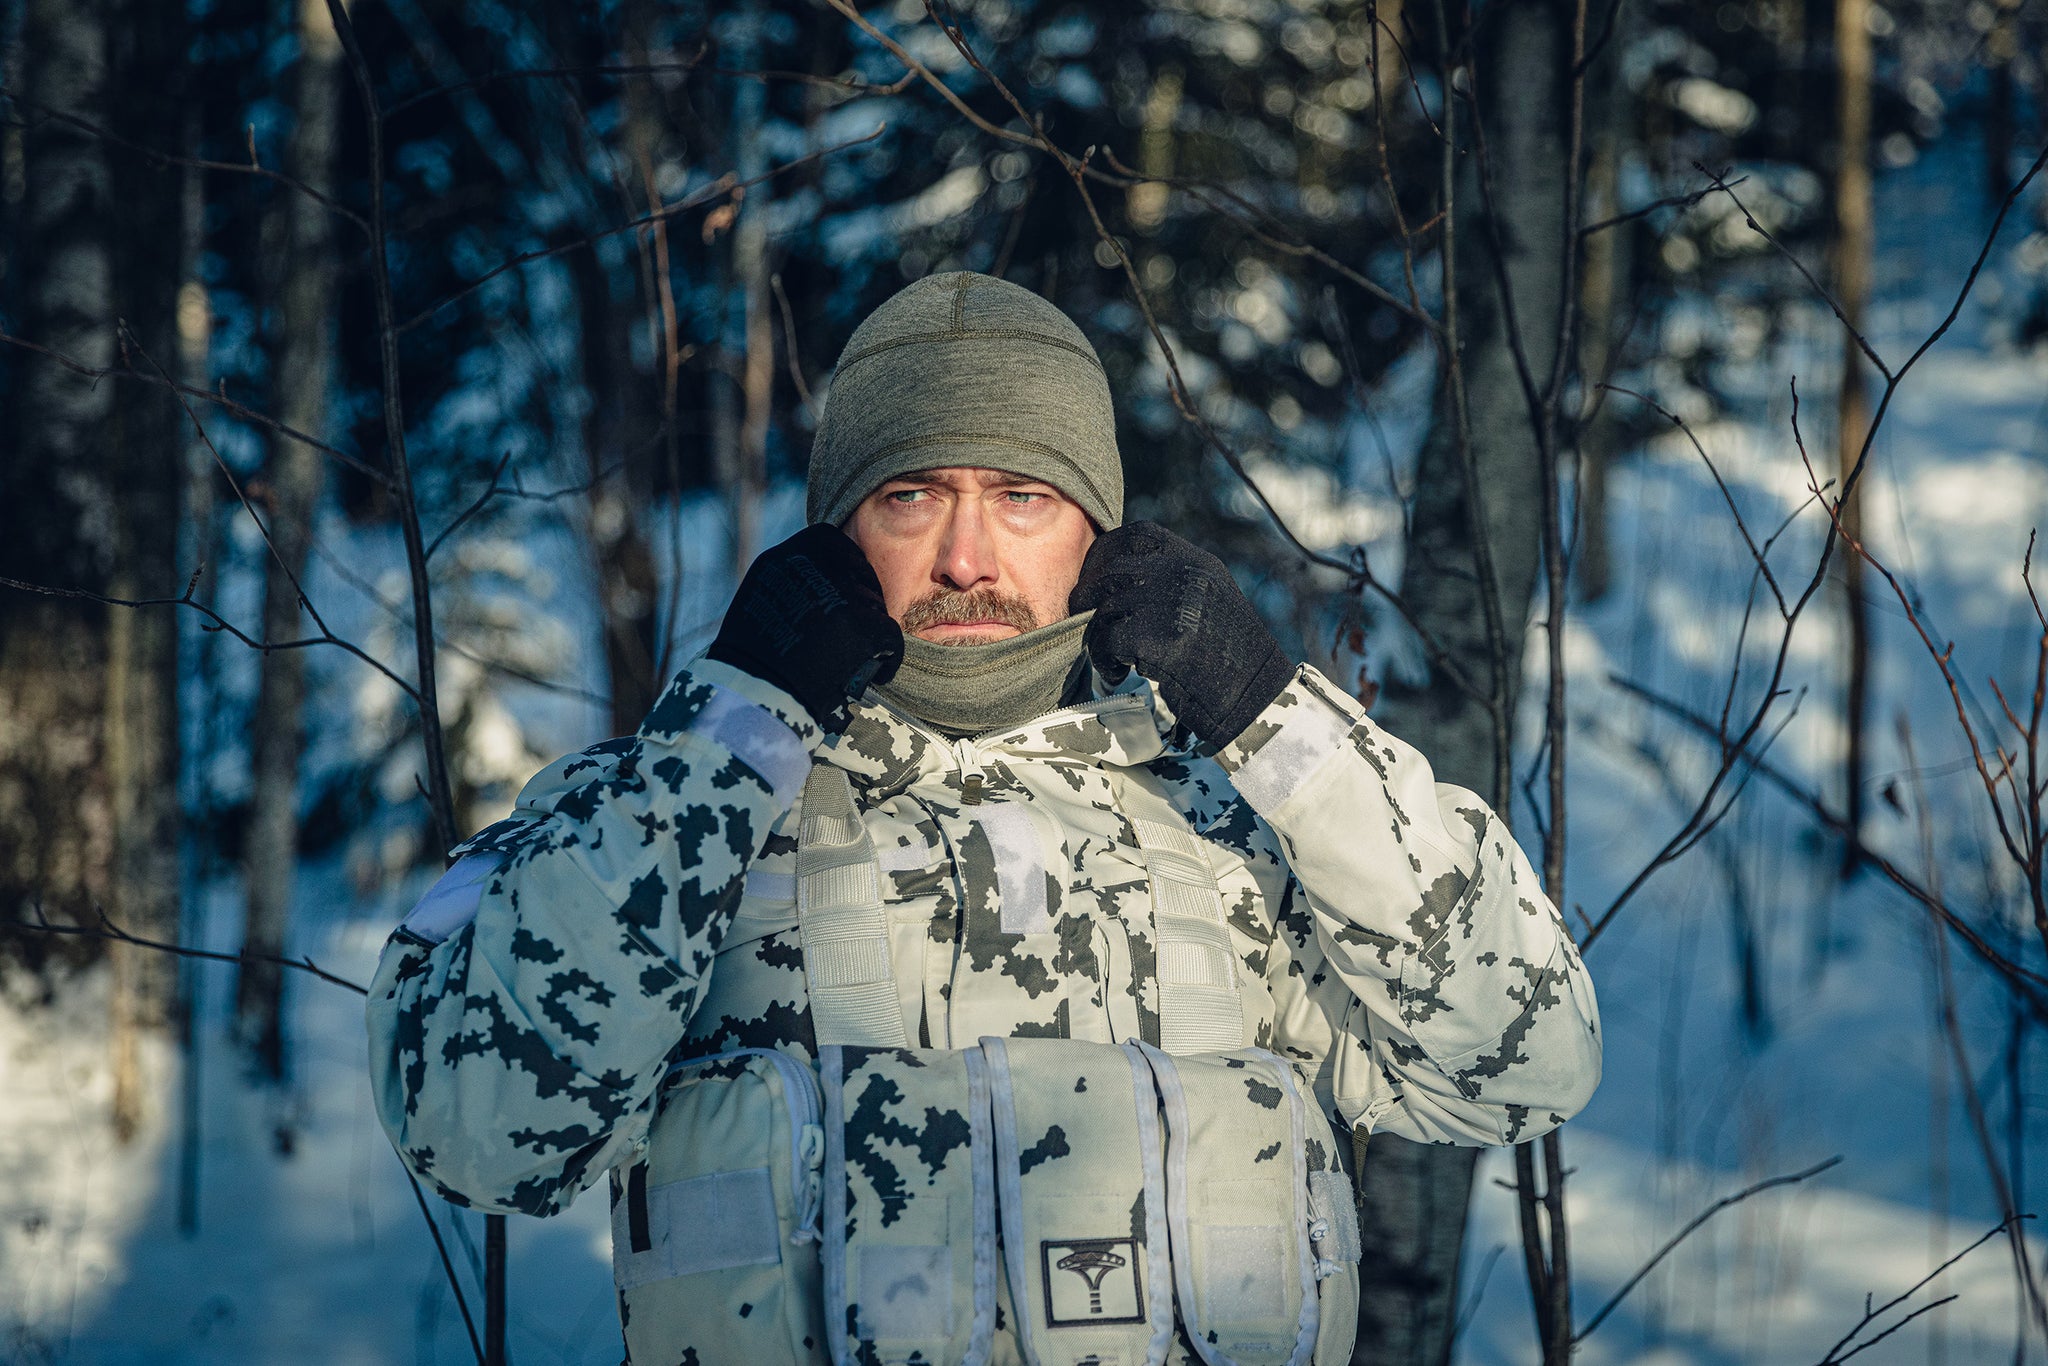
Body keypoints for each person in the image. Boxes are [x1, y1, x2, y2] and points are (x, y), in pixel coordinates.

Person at [368, 271, 1601, 1366]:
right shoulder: (659, 816)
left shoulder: (1235, 835)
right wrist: (727, 736)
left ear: (1096, 532)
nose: (965, 557)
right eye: (910, 495)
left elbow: (1524, 1062)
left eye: (1019, 495)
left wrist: (1270, 716)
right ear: (839, 529)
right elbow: (487, 1131)